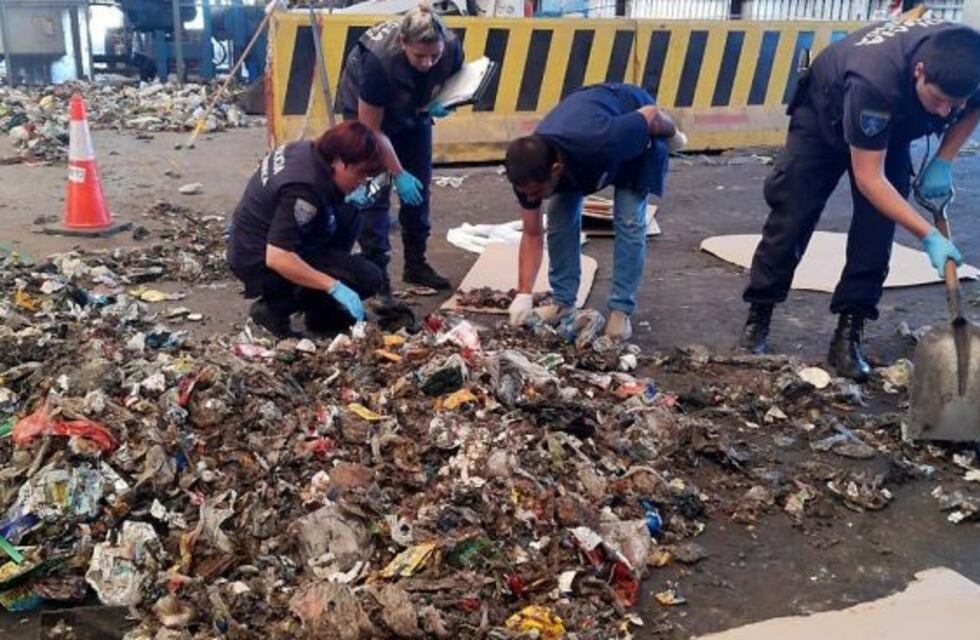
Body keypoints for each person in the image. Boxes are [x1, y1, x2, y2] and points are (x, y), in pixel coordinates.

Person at [738, 18, 980, 382]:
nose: (945, 111)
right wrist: (927, 234)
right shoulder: (874, 81)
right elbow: (869, 178)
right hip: (825, 118)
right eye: (938, 99)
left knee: (876, 230)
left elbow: (974, 108)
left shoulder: (970, 64)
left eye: (953, 104)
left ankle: (848, 333)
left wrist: (944, 159)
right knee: (792, 216)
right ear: (919, 72)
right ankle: (759, 316)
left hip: (892, 130)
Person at [503, 83, 683, 341]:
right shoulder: (527, 171)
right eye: (526, 192)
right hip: (582, 147)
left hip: (636, 144)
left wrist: (675, 136)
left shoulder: (601, 140)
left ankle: (621, 311)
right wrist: (524, 293)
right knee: (559, 219)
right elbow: (532, 234)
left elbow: (651, 114)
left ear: (555, 170)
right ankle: (564, 302)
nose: (531, 198)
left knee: (629, 220)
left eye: (536, 191)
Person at [339, 3, 464, 300]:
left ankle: (416, 264)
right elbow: (373, 132)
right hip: (368, 115)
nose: (428, 63)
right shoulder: (378, 63)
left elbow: (457, 79)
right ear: (403, 42)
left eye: (434, 55)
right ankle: (377, 273)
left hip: (414, 109)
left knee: (419, 185)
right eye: (420, 55)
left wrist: (444, 99)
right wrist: (397, 172)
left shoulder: (450, 46)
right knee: (375, 191)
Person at [227, 121, 386, 338]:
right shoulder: (305, 189)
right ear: (339, 162)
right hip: (258, 258)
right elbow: (278, 257)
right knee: (367, 277)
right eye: (359, 174)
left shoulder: (307, 151)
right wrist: (334, 286)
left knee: (349, 213)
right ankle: (274, 309)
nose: (361, 182)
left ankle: (322, 312)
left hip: (257, 236)